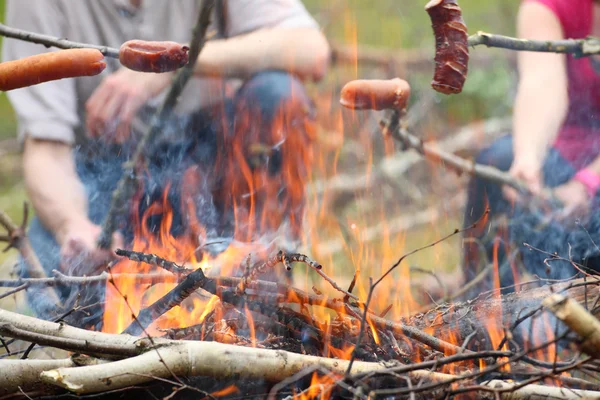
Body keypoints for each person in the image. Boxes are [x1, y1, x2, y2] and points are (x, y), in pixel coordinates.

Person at [3, 0, 330, 320]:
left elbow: (309, 49)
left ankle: (264, 266)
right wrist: (70, 225)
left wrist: (178, 63)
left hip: (214, 170)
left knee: (277, 95)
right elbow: (46, 149)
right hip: (109, 185)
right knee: (65, 284)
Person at [463, 0, 600, 294]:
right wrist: (528, 158)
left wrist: (589, 182)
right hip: (568, 151)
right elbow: (541, 82)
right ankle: (486, 316)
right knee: (497, 161)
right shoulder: (550, 6)